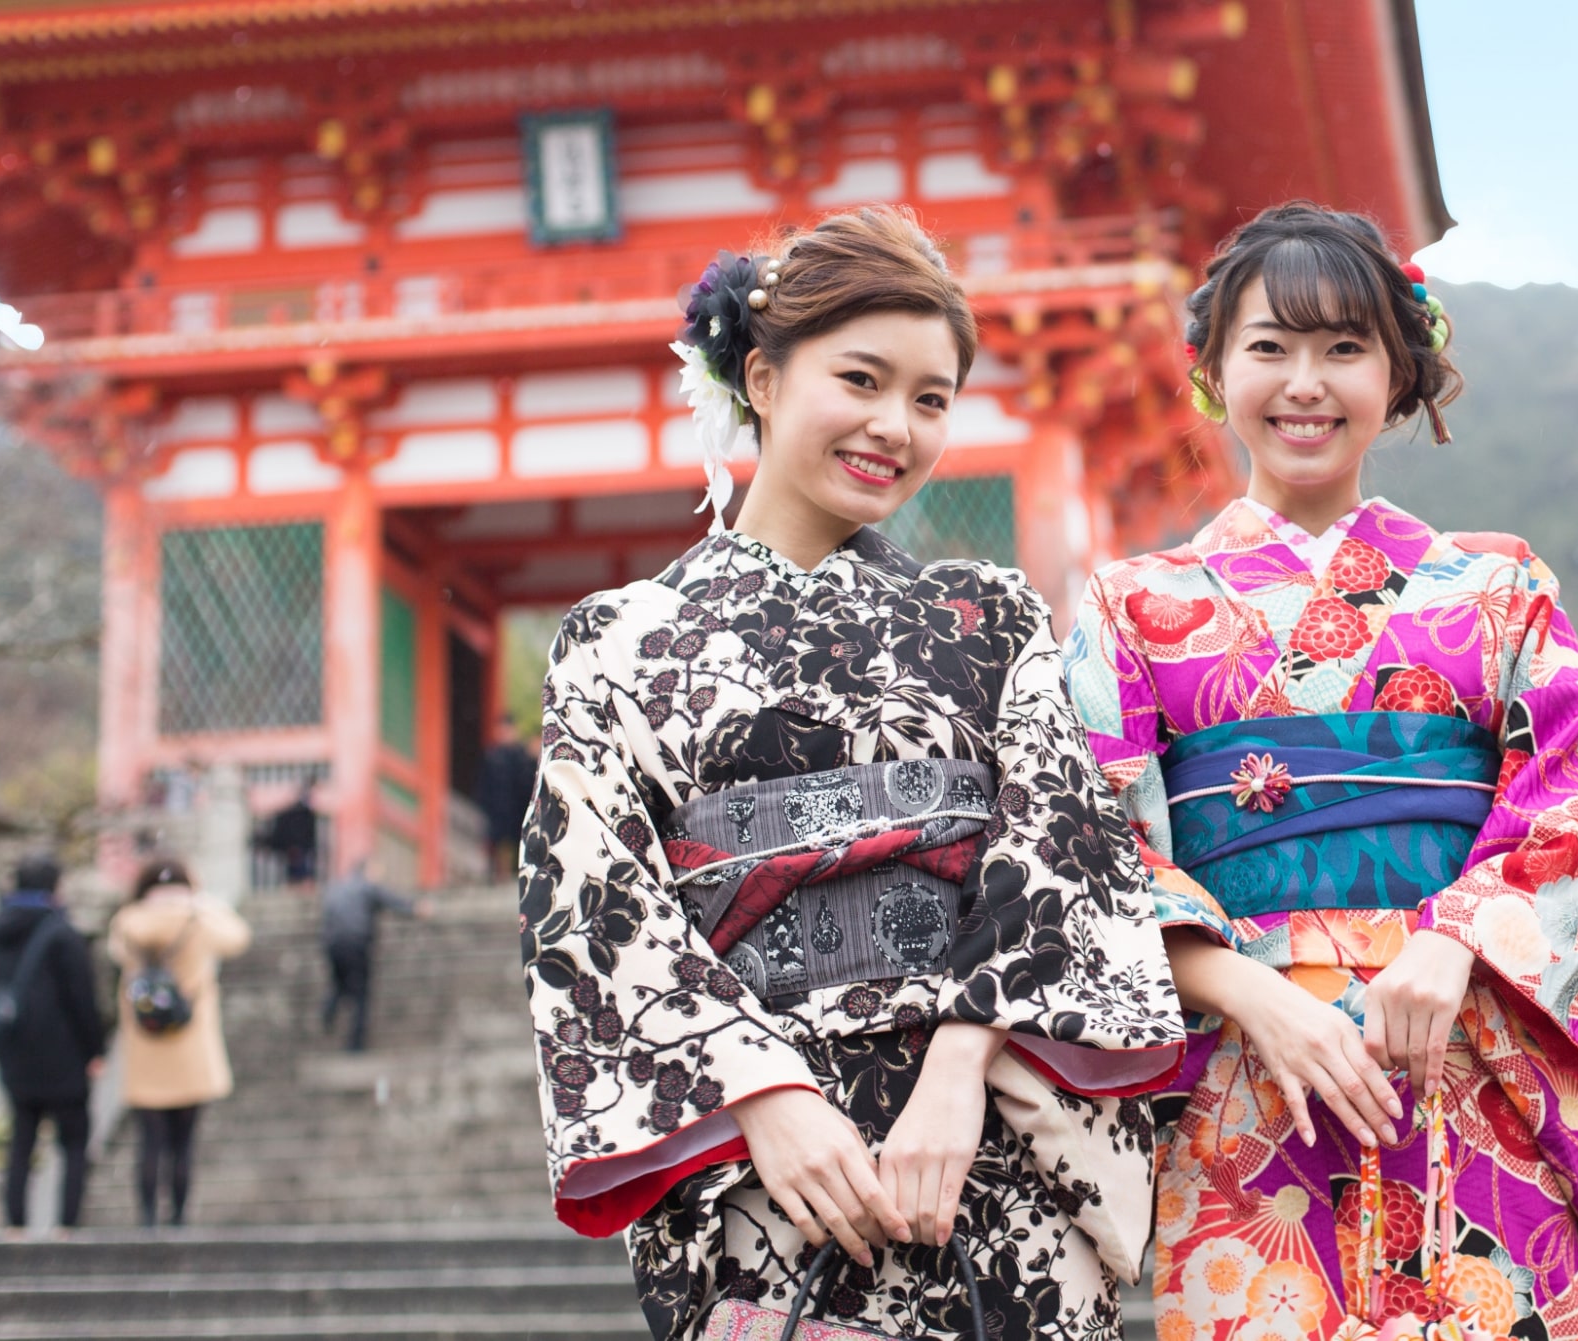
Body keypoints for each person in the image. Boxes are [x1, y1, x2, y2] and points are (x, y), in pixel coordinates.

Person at [520, 205, 1184, 1341]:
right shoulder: (617, 639)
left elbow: (1066, 851)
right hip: (761, 1171)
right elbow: (593, 905)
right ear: (762, 378)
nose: (897, 425)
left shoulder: (989, 619)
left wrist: (960, 1070)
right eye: (862, 379)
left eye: (931, 399)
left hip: (986, 1148)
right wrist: (766, 1098)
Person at [1064, 202, 1578, 1341]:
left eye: (1344, 348)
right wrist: (1245, 989)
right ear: (1214, 372)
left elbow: (1574, 791)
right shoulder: (1130, 605)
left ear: (1398, 374)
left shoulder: (1498, 588)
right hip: (1240, 1066)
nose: (1304, 382)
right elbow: (1085, 842)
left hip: (1463, 1041)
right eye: (1269, 346)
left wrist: (1454, 936)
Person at [106, 858, 251, 1228]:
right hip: (191, 1046)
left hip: (145, 1048)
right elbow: (237, 938)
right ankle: (179, 1218)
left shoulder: (128, 921)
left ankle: (148, 1219)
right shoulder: (197, 919)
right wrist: (203, 904)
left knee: (150, 1142)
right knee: (183, 1143)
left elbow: (115, 954)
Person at [0, 854, 105, 1237]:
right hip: (64, 1057)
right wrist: (96, 1049)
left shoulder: (0, 930)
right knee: (73, 1142)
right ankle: (66, 1225)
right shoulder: (62, 933)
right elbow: (82, 998)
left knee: (21, 1140)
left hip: (14, 1055)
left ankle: (15, 1225)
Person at [320, 858, 429, 1053]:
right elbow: (391, 901)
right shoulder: (367, 887)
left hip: (333, 944)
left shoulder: (336, 888)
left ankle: (329, 1008)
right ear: (367, 870)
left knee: (339, 983)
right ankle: (355, 1044)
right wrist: (415, 908)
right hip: (357, 942)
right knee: (361, 994)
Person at [476, 715, 537, 879]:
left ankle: (516, 873)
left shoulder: (522, 756)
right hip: (497, 808)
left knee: (517, 843)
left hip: (517, 809)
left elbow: (527, 783)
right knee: (496, 843)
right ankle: (496, 875)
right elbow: (484, 784)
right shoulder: (492, 756)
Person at [264, 782, 319, 889]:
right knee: (297, 871)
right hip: (296, 847)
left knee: (301, 870)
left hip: (300, 848)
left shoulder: (303, 811)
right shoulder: (297, 812)